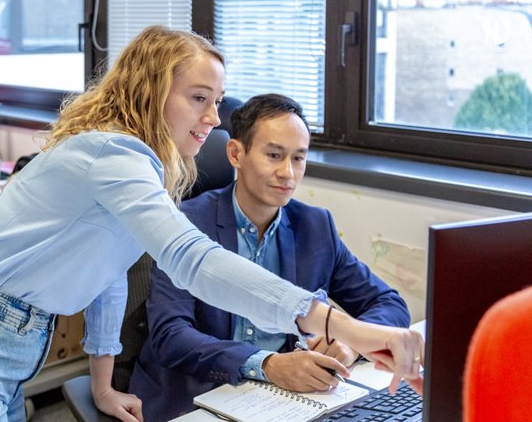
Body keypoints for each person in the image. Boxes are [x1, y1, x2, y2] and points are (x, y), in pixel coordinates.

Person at [0, 26, 423, 422]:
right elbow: (193, 261)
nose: (213, 118)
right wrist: (336, 323)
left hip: (5, 349)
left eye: (216, 102)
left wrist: (101, 385)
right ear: (150, 90)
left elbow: (104, 275)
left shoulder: (134, 166)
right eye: (199, 98)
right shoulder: (112, 153)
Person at [128, 94, 412, 419]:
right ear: (236, 153)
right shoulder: (185, 223)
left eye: (298, 159)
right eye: (274, 155)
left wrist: (351, 343)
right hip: (197, 394)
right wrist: (266, 364)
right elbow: (171, 335)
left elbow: (390, 304)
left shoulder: (315, 226)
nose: (287, 173)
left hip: (282, 400)